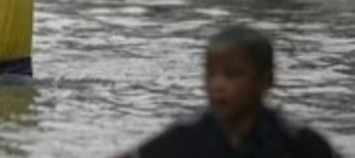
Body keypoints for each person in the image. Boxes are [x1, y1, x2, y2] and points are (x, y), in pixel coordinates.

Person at [116, 25, 340, 158]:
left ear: (265, 81)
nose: (217, 85)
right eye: (210, 74)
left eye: (232, 74)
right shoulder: (185, 138)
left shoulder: (296, 143)